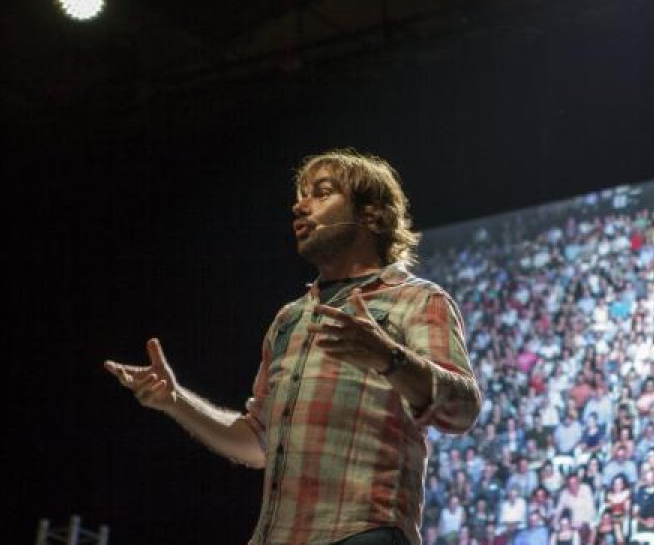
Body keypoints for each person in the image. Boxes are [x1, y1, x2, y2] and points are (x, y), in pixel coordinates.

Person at [104, 149, 481, 545]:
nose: (299, 206)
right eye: (301, 195)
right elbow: (257, 442)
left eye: (322, 192)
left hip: (361, 533)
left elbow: (463, 409)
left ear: (372, 215)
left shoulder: (419, 300)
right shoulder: (289, 320)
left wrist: (388, 357)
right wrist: (175, 400)